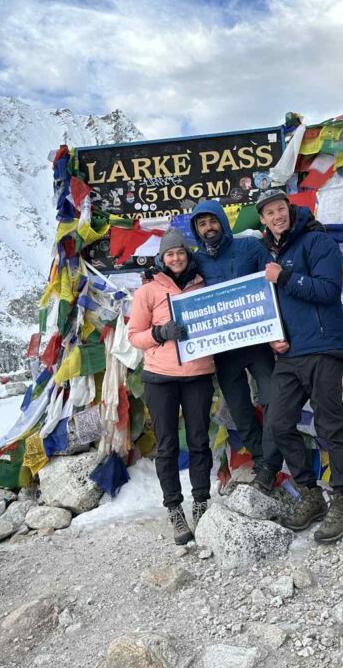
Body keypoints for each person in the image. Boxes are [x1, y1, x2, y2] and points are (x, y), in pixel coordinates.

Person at [256, 188, 343, 543]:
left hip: (323, 347)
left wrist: (284, 276)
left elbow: (329, 291)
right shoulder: (270, 254)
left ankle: (342, 501)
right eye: (269, 213)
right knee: (279, 423)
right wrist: (273, 336)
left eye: (280, 209)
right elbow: (272, 307)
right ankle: (310, 493)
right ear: (263, 220)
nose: (276, 216)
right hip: (289, 353)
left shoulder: (317, 242)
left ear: (290, 209)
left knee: (329, 424)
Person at [188, 199, 283, 493]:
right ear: (196, 230)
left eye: (212, 221)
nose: (208, 228)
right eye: (201, 224)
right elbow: (172, 270)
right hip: (224, 350)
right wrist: (154, 269)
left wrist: (277, 329)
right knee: (241, 410)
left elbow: (272, 284)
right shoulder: (194, 260)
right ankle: (260, 460)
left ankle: (271, 463)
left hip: (258, 343)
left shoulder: (249, 248)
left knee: (272, 401)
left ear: (222, 222)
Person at [128, 228, 215, 544]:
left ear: (187, 254)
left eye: (180, 252)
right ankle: (175, 509)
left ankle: (202, 503)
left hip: (198, 375)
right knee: (166, 446)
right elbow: (133, 335)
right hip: (160, 379)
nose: (176, 258)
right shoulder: (148, 291)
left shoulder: (202, 284)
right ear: (162, 258)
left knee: (198, 441)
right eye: (170, 254)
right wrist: (160, 333)